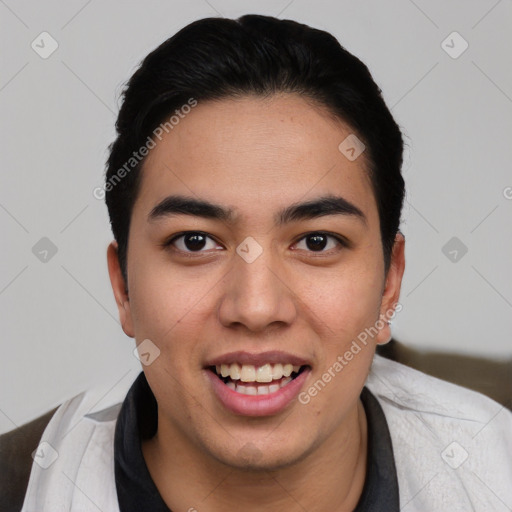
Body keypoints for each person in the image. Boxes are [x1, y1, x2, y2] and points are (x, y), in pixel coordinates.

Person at [20, 14, 512, 511]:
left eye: (317, 241)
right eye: (195, 241)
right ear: (123, 287)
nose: (255, 308)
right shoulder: (17, 482)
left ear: (390, 283)